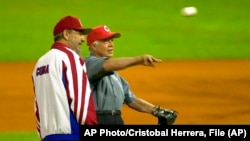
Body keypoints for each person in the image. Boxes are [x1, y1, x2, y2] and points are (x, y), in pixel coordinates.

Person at [84, 25, 177, 125]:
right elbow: (107, 65)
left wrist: (157, 111)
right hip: (97, 120)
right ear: (94, 46)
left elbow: (131, 100)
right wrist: (138, 60)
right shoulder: (88, 64)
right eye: (106, 41)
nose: (111, 44)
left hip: (117, 120)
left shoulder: (115, 76)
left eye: (112, 40)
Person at [31, 16, 98, 141]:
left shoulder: (39, 63)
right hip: (72, 134)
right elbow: (81, 103)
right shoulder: (70, 57)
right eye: (79, 33)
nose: (83, 39)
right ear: (66, 34)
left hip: (47, 136)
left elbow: (38, 107)